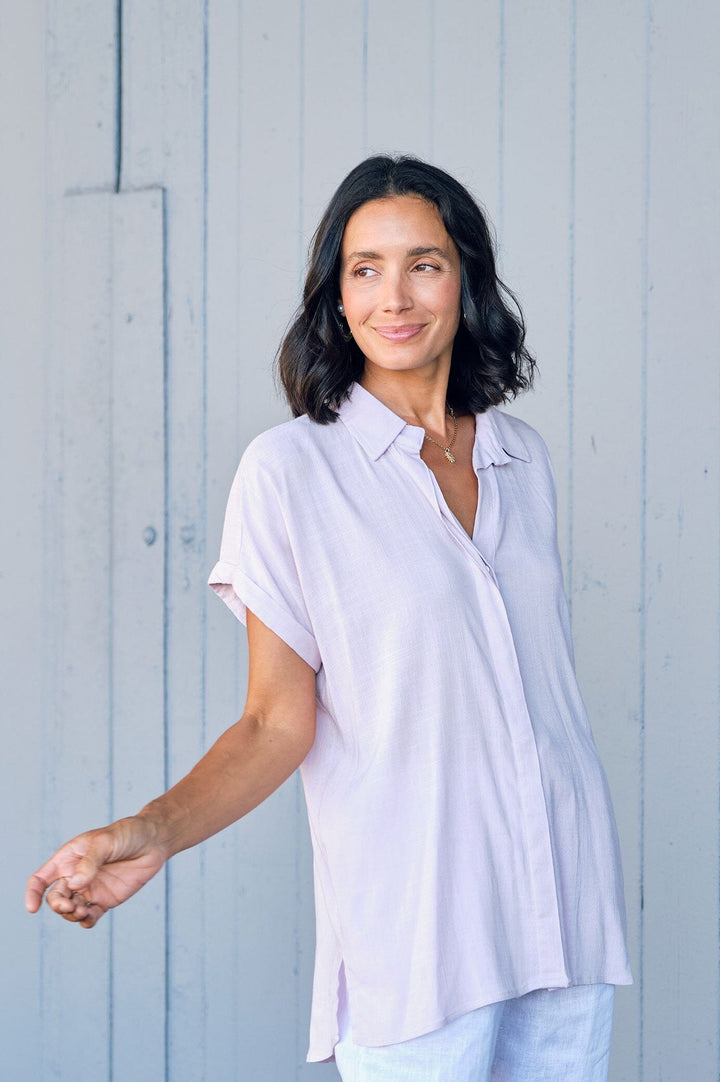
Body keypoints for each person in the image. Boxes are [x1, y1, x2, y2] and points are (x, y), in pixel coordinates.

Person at [26, 155, 632, 1080]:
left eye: (424, 263)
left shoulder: (522, 457)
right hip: (422, 935)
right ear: (336, 296)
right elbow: (276, 720)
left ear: (465, 278)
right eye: (365, 268)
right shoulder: (290, 473)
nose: (395, 295)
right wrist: (150, 830)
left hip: (565, 911)